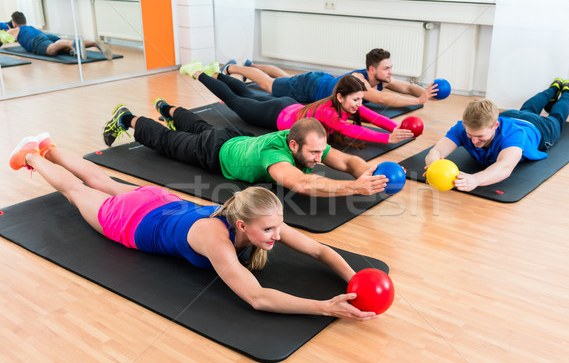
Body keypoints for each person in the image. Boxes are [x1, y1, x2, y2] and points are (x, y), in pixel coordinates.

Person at [8, 134, 378, 320]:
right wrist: (325, 307)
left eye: (277, 228)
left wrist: (353, 279)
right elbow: (257, 297)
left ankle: (48, 146)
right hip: (133, 220)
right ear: (243, 226)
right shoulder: (215, 237)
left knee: (104, 182)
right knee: (77, 191)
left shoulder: (256, 215)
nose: (277, 237)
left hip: (162, 203)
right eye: (268, 232)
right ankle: (29, 155)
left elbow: (320, 249)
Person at [101, 99, 389, 197]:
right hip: (212, 152)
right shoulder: (276, 157)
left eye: (320, 152)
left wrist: (368, 173)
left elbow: (348, 162)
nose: (319, 157)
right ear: (293, 145)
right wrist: (354, 189)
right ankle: (126, 117)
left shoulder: (308, 139)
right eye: (314, 153)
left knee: (202, 125)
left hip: (236, 137)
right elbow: (301, 184)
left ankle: (166, 107)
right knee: (168, 142)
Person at [181, 63, 416, 145]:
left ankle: (218, 73)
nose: (359, 104)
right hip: (275, 115)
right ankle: (199, 73)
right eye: (356, 99)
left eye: (361, 99)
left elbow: (371, 117)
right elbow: (354, 129)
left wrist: (393, 128)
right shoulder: (330, 114)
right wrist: (387, 138)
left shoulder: (342, 103)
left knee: (246, 95)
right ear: (342, 97)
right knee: (235, 101)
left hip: (287, 106)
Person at [424, 78, 569, 192]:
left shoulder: (514, 136)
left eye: (480, 136)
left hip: (538, 127)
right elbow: (436, 151)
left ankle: (566, 91)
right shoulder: (461, 128)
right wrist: (433, 164)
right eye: (470, 135)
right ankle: (553, 87)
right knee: (528, 108)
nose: (474, 141)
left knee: (557, 117)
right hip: (511, 115)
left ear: (495, 126)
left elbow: (505, 166)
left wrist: (475, 179)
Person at [181, 48, 438, 107]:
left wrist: (426, 92)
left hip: (318, 81)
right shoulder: (361, 83)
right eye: (386, 69)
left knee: (284, 78)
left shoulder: (380, 78)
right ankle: (231, 69)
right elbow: (384, 100)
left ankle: (250, 64)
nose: (390, 73)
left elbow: (406, 87)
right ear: (371, 69)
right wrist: (419, 101)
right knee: (269, 86)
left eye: (391, 69)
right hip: (312, 86)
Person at [0, 11, 112, 59]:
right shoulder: (31, 27)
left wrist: (6, 31)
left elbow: (3, 40)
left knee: (51, 50)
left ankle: (70, 44)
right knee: (63, 49)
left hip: (36, 40)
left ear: (14, 22)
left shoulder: (15, 30)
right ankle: (93, 42)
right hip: (45, 35)